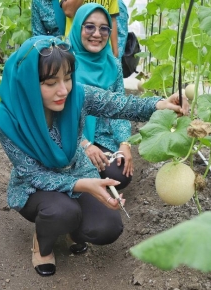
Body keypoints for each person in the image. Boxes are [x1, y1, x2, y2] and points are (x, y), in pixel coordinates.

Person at [0, 35, 187, 277]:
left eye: (67, 78)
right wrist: (85, 186)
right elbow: (32, 174)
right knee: (61, 212)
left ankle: (71, 228)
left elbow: (119, 105)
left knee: (107, 227)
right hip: (36, 186)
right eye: (51, 82)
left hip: (76, 169)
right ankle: (43, 243)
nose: (63, 90)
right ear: (28, 82)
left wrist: (159, 105)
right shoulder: (6, 120)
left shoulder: (78, 96)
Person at [68, 4, 133, 189]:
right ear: (78, 26)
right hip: (69, 136)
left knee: (119, 174)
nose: (97, 34)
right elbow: (56, 116)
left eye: (104, 28)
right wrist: (85, 144)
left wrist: (124, 143)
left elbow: (120, 108)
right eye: (89, 27)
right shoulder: (63, 61)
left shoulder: (113, 65)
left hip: (101, 135)